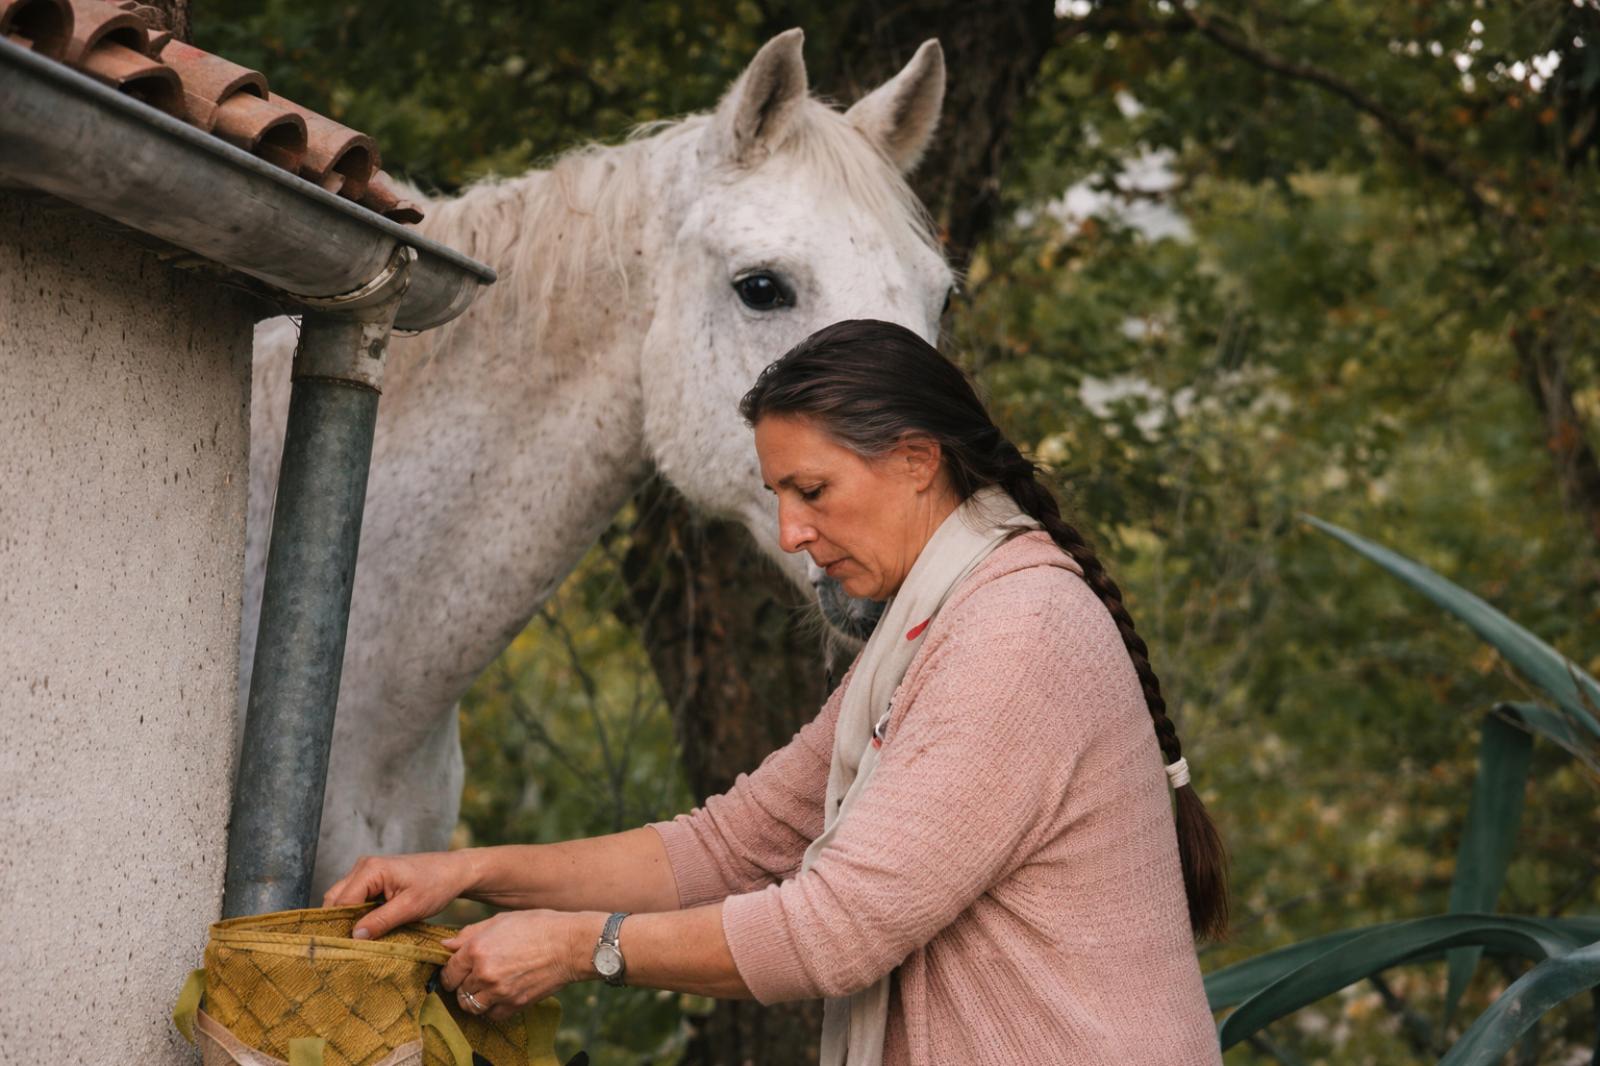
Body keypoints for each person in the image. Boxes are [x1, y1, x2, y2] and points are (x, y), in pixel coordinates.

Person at [324, 319, 1227, 1064]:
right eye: (778, 494)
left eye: (813, 489)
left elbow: (834, 931)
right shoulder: (937, 626)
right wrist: (472, 873)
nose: (792, 531)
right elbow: (726, 847)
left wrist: (577, 945)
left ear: (917, 460)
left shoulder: (1016, 635)